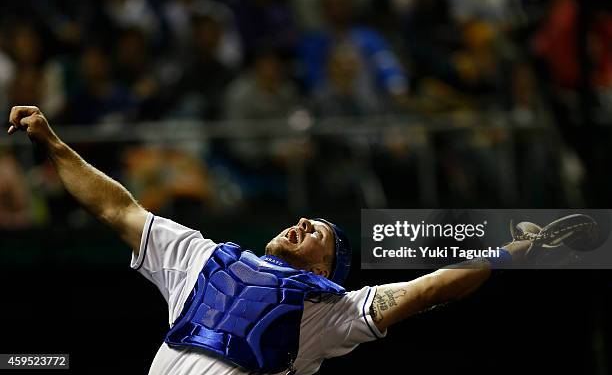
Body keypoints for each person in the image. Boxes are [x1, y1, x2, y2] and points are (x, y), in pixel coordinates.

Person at [8, 105, 538, 375]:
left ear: (327, 270)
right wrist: (53, 144)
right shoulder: (201, 256)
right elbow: (116, 206)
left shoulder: (330, 310)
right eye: (307, 219)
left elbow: (432, 289)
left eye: (320, 235)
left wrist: (509, 252)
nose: (304, 224)